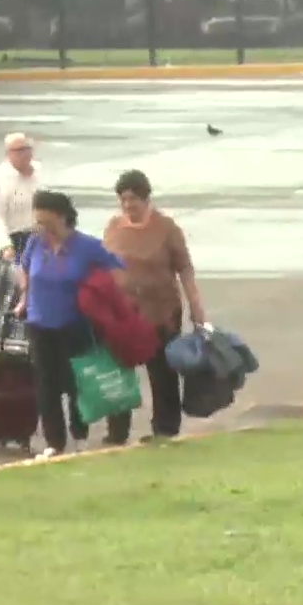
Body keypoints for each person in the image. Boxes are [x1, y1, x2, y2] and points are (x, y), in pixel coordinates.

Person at [11, 189, 123, 459]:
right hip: (39, 322)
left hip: (75, 323)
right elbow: (22, 268)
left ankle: (80, 434)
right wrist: (24, 296)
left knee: (76, 383)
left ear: (61, 216)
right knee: (46, 385)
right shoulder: (35, 243)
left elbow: (117, 270)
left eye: (45, 220)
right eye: (38, 220)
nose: (41, 226)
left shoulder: (87, 246)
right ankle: (54, 441)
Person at [103, 170, 208, 443]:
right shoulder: (113, 227)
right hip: (124, 313)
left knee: (161, 372)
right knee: (119, 372)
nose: (128, 205)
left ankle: (165, 428)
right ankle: (117, 432)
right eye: (123, 199)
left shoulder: (166, 228)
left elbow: (184, 268)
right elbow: (104, 266)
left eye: (133, 199)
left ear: (146, 198)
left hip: (160, 312)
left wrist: (196, 307)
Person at [0, 132, 40, 262]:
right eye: (20, 151)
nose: (25, 154)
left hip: (38, 237)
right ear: (9, 154)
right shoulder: (0, 178)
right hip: (13, 238)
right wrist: (5, 246)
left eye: (27, 149)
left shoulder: (38, 171)